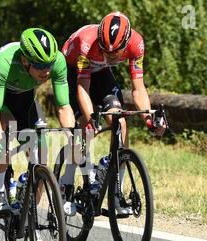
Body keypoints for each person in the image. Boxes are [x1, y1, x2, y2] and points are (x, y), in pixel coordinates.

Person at [60, 12, 167, 215]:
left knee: (120, 121)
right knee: (84, 126)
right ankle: (67, 183)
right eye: (105, 50)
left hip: (101, 73)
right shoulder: (87, 42)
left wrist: (149, 120)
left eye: (114, 53)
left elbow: (138, 89)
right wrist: (91, 117)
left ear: (126, 44)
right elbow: (82, 88)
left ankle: (116, 194)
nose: (109, 55)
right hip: (72, 70)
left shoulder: (137, 44)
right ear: (99, 40)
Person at [0, 28, 75, 214]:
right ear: (24, 60)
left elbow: (64, 106)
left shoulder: (58, 61)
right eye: (39, 65)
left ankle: (30, 219)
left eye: (49, 65)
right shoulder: (4, 61)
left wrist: (71, 134)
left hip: (24, 97)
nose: (46, 71)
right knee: (5, 128)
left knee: (41, 158)